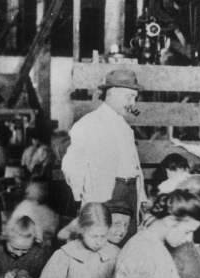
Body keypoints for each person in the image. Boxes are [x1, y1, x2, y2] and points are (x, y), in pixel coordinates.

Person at [62, 68, 146, 237]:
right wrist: (82, 199)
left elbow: (134, 165)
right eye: (129, 97)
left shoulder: (124, 127)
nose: (133, 104)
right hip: (106, 193)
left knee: (127, 237)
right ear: (112, 94)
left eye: (134, 98)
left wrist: (141, 197)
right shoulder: (88, 124)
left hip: (129, 191)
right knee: (103, 239)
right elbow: (71, 167)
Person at [10, 181, 60, 245]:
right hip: (29, 241)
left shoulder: (40, 207)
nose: (45, 193)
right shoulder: (29, 207)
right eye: (42, 190)